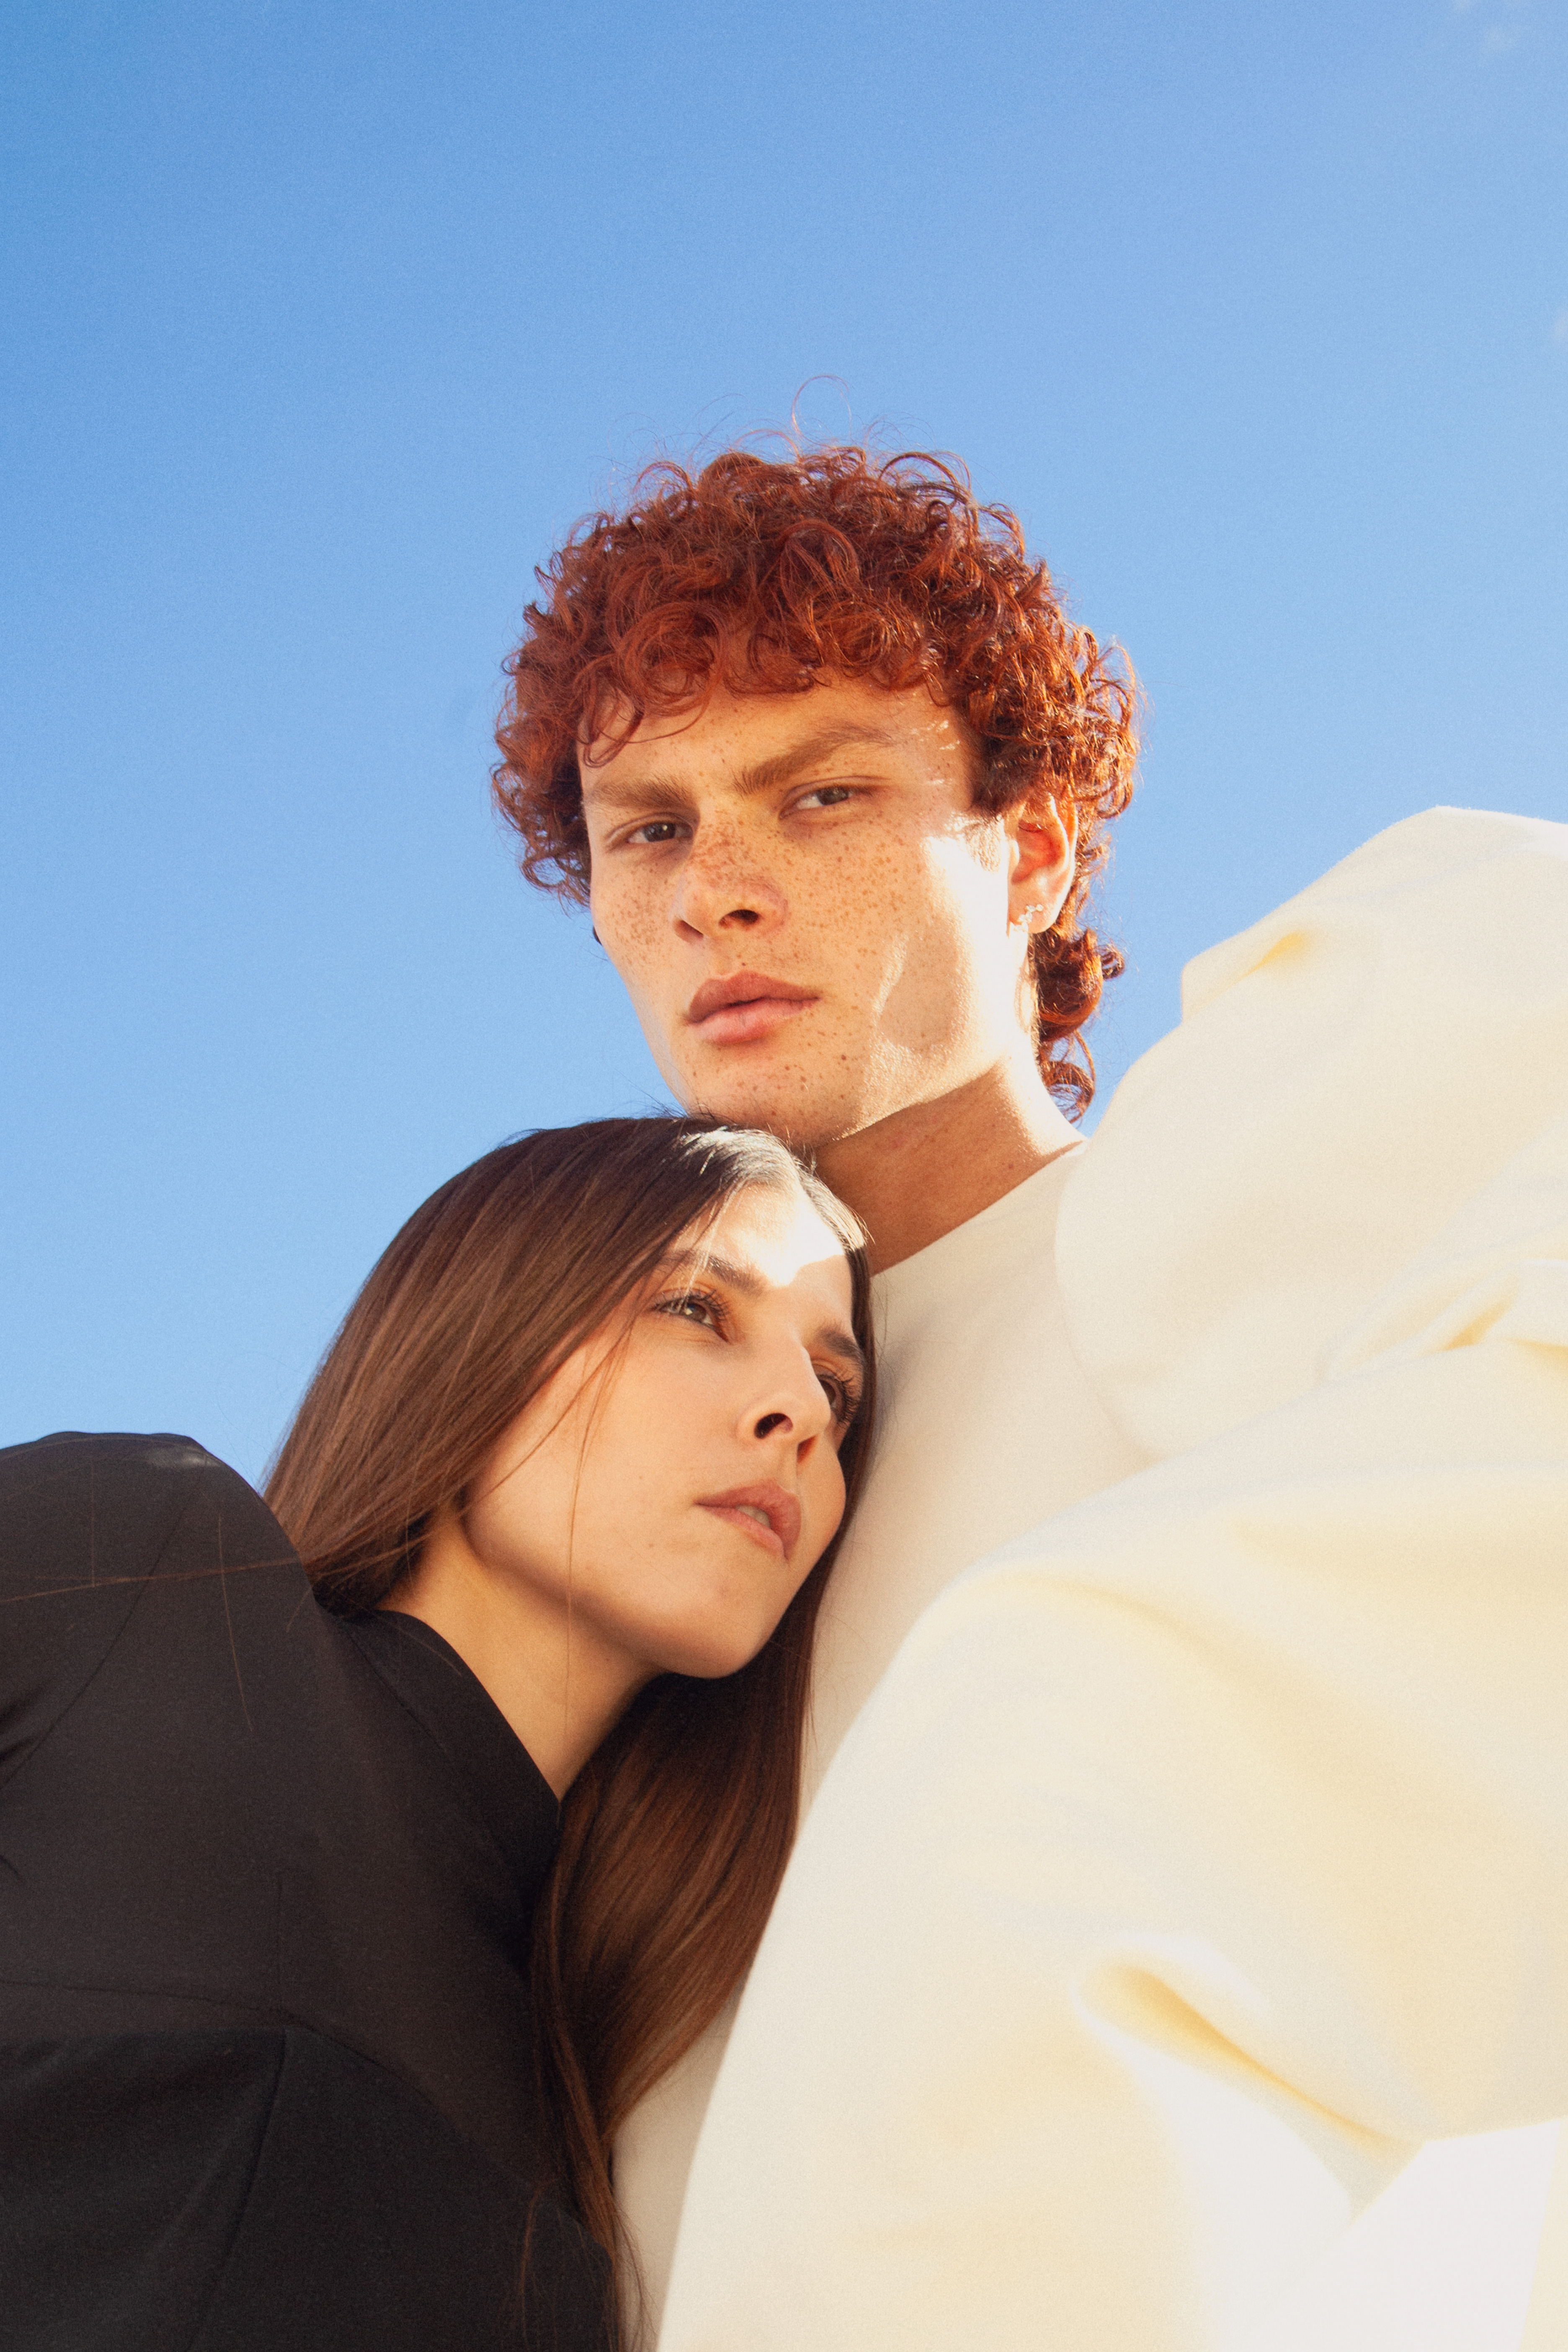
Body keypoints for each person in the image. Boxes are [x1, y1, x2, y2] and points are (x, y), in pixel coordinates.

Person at [491, 443, 1568, 2349]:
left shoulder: (1260, 1164)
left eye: (821, 794)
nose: (716, 890)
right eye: (646, 830)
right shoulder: (579, 1471)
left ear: (1037, 847)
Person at [0, 1114, 874, 2352]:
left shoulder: (602, 2105)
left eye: (838, 1389)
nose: (800, 1413)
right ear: (484, 1327)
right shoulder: (143, 1573)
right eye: (694, 1309)